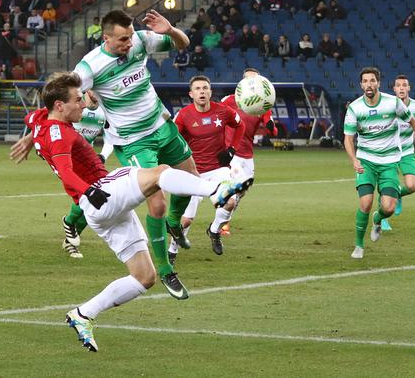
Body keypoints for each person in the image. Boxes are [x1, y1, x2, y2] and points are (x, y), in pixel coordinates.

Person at [16, 72, 252, 352]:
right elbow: (66, 171)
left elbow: (35, 119)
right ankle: (216, 191)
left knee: (144, 277)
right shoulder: (59, 135)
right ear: (59, 105)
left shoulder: (40, 119)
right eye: (78, 100)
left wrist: (30, 139)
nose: (84, 104)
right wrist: (89, 189)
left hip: (100, 211)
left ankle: (83, 314)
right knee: (160, 173)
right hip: (100, 194)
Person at [12, 10, 196, 300]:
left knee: (190, 180)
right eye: (123, 39)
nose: (129, 43)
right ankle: (164, 269)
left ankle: (175, 223)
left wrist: (171, 30)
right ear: (105, 37)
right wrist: (31, 136)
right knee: (156, 203)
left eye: (131, 36)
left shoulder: (140, 41)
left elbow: (183, 44)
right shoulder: (89, 68)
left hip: (162, 125)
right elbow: (57, 104)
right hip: (133, 141)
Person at [344, 67, 415, 259]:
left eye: (372, 81)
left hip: (389, 161)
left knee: (388, 207)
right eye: (365, 81)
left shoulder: (392, 103)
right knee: (366, 202)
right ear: (361, 85)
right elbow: (348, 138)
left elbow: (412, 121)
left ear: (378, 83)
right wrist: (354, 159)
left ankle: (378, 219)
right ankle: (359, 245)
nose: (369, 84)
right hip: (366, 161)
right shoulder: (355, 108)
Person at [168, 75, 247, 262]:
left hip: (218, 170)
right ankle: (172, 251)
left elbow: (240, 125)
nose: (202, 91)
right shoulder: (184, 115)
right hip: (192, 172)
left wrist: (232, 149)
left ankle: (214, 230)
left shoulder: (223, 111)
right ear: (191, 94)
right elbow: (172, 140)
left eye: (205, 88)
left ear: (210, 92)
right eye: (197, 89)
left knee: (230, 202)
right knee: (185, 220)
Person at [218, 68, 278, 235]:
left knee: (243, 191)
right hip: (232, 152)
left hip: (247, 154)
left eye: (255, 79)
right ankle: (222, 224)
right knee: (236, 188)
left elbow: (273, 132)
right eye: (248, 79)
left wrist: (270, 125)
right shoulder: (229, 100)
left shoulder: (263, 105)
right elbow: (217, 116)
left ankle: (225, 217)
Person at [371, 75, 415, 235]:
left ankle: (398, 194)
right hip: (390, 153)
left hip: (407, 152)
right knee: (387, 190)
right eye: (398, 85)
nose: (401, 88)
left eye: (404, 85)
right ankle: (383, 218)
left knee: (411, 186)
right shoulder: (388, 106)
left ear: (409, 88)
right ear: (394, 89)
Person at [60, 104, 113, 259]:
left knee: (96, 202)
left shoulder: (104, 111)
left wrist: (103, 155)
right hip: (66, 159)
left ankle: (70, 237)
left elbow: (110, 136)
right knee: (86, 198)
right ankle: (69, 222)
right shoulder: (72, 106)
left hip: (87, 160)